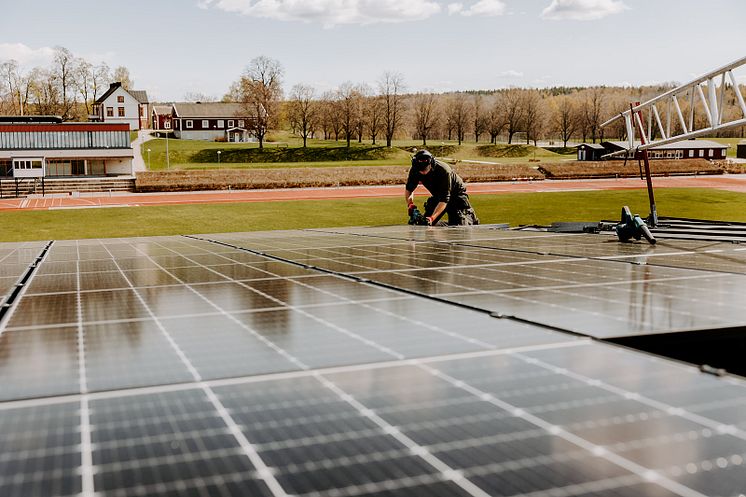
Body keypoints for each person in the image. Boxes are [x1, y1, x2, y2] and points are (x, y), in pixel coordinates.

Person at [404, 149, 479, 226]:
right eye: (421, 170)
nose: (423, 172)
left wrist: (431, 218)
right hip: (438, 195)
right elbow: (409, 189)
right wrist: (410, 204)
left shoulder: (444, 170)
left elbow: (444, 200)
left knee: (458, 226)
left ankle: (470, 218)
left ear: (431, 164)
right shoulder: (414, 170)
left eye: (426, 169)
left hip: (456, 195)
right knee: (423, 223)